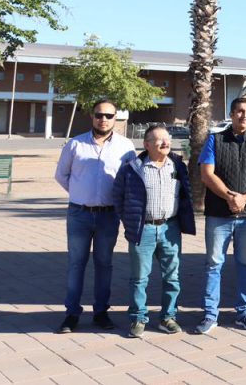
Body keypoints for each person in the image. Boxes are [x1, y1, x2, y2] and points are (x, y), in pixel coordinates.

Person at [54, 99, 137, 333]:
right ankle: (71, 314)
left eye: (109, 116)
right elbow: (62, 175)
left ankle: (101, 313)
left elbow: (129, 179)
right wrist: (81, 193)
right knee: (76, 264)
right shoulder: (75, 144)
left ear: (116, 118)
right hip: (79, 214)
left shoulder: (125, 146)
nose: (103, 119)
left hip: (109, 216)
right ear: (92, 116)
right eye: (99, 115)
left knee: (104, 264)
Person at [195, 97, 246, 334]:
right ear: (231, 113)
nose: (244, 116)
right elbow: (206, 175)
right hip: (219, 216)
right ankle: (210, 315)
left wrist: (244, 199)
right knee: (213, 264)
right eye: (240, 111)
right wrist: (231, 197)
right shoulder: (215, 140)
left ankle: (244, 313)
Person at [112, 125, 195, 337]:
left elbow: (186, 193)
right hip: (144, 230)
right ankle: (138, 318)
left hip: (170, 228)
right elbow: (118, 197)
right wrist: (130, 221)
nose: (165, 143)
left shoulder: (177, 165)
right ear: (147, 144)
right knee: (140, 278)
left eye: (167, 139)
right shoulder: (132, 168)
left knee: (172, 277)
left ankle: (168, 317)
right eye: (159, 140)